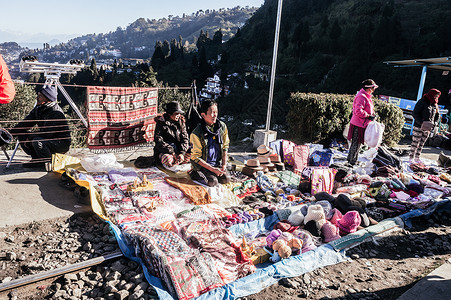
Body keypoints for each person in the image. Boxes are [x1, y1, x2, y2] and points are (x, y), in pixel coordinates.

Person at [10, 85, 71, 168]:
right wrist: (9, 135)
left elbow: (47, 134)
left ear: (48, 99)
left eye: (40, 96)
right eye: (38, 95)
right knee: (22, 135)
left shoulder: (56, 113)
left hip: (60, 143)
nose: (37, 98)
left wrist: (30, 137)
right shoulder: (38, 109)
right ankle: (36, 160)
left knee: (37, 141)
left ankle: (48, 163)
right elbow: (25, 124)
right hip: (47, 138)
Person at [189, 99, 231, 186]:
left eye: (216, 112)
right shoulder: (196, 133)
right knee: (212, 181)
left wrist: (223, 165)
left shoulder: (222, 127)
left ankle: (214, 171)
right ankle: (193, 173)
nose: (215, 115)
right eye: (212, 112)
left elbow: (225, 147)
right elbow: (195, 157)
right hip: (202, 166)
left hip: (216, 163)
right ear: (203, 115)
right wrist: (212, 169)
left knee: (226, 179)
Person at [347, 79, 378, 165]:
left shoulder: (366, 96)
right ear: (369, 88)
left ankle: (352, 160)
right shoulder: (362, 97)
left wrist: (372, 114)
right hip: (358, 124)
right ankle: (351, 162)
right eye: (373, 88)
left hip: (361, 124)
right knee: (356, 144)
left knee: (357, 144)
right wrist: (368, 116)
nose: (374, 90)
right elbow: (358, 111)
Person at [153, 101, 190, 168]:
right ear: (170, 114)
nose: (178, 115)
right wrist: (172, 153)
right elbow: (159, 141)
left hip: (178, 150)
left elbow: (185, 138)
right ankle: (173, 162)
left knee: (192, 155)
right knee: (167, 159)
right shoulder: (161, 123)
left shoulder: (181, 122)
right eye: (176, 114)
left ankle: (177, 161)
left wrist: (182, 153)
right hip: (166, 151)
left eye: (179, 113)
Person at [410, 88, 441, 161]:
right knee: (415, 143)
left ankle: (417, 158)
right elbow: (415, 113)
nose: (436, 98)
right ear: (431, 95)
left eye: (437, 96)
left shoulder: (435, 104)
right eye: (435, 96)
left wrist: (435, 123)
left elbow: (437, 115)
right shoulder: (422, 101)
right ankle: (411, 158)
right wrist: (422, 122)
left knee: (421, 144)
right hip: (419, 126)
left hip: (428, 128)